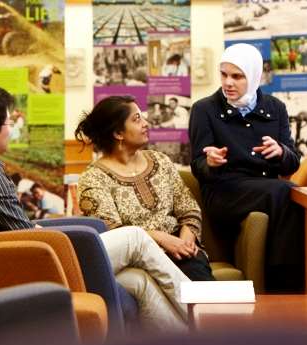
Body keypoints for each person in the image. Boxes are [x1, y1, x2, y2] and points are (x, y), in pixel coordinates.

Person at [0, 84, 191, 331]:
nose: (13, 129)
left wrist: (45, 231)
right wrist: (61, 238)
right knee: (135, 238)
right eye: (9, 123)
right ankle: (201, 314)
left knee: (138, 280)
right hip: (29, 266)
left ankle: (186, 341)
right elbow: (26, 236)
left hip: (18, 257)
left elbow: (19, 229)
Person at [188, 43, 304, 292]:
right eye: (223, 74)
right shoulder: (203, 109)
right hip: (224, 192)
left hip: (266, 190)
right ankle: (284, 283)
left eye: (237, 76)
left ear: (254, 76)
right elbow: (197, 166)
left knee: (293, 194)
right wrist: (210, 162)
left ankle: (284, 281)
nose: (228, 83)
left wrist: (281, 152)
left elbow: (293, 162)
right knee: (285, 192)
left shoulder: (276, 108)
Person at [75, 95, 215, 283]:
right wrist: (163, 240)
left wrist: (186, 241)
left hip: (181, 250)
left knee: (198, 276)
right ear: (118, 133)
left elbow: (188, 207)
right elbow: (114, 232)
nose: (146, 123)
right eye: (137, 119)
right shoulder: (93, 178)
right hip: (138, 259)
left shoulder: (160, 160)